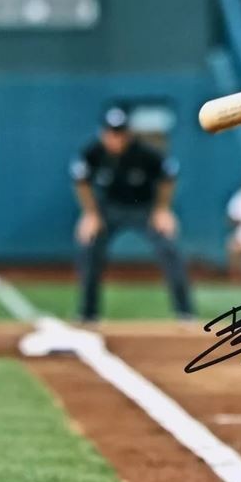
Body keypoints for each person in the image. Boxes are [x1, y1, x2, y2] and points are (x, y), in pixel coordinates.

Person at [71, 107, 194, 322]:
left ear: (128, 134)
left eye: (120, 133)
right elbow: (81, 181)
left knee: (169, 248)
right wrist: (90, 214)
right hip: (108, 208)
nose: (115, 138)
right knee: (89, 247)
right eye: (111, 133)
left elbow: (169, 175)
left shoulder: (144, 153)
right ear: (103, 133)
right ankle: (88, 314)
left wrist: (163, 210)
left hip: (144, 207)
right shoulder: (94, 152)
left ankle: (185, 313)